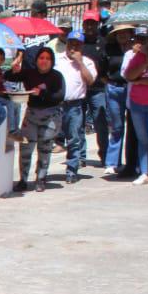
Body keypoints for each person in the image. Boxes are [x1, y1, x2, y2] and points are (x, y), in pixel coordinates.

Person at [6, 46, 65, 193]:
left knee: (45, 149)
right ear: (36, 60)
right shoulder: (29, 73)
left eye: (47, 59)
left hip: (50, 116)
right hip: (32, 115)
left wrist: (42, 93)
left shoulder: (57, 76)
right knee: (26, 148)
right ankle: (23, 180)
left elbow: (60, 96)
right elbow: (9, 77)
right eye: (41, 58)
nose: (44, 61)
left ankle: (41, 179)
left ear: (52, 61)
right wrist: (13, 68)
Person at [56, 31, 98, 184]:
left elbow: (90, 81)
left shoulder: (87, 62)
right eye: (71, 43)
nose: (73, 47)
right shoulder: (57, 59)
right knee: (48, 138)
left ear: (82, 46)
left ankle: (71, 170)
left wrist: (79, 63)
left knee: (73, 139)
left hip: (74, 105)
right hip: (57, 104)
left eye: (77, 44)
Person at [102, 25, 134, 176]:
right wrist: (109, 83)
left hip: (132, 88)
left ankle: (132, 162)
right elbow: (102, 70)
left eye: (125, 33)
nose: (122, 35)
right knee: (116, 126)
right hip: (115, 88)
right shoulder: (110, 49)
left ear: (130, 34)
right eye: (118, 33)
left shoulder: (137, 49)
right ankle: (113, 162)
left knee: (134, 128)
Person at [120, 26, 148, 185]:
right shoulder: (138, 57)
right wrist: (145, 63)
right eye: (142, 40)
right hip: (137, 102)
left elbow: (136, 79)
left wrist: (140, 81)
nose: (144, 43)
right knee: (143, 139)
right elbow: (129, 75)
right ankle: (145, 172)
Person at [80, 12, 110, 167]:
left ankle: (105, 156)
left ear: (98, 24)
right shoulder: (78, 42)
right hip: (81, 88)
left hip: (98, 89)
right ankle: (80, 157)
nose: (90, 26)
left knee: (101, 124)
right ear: (83, 24)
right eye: (87, 23)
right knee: (78, 124)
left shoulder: (104, 42)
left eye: (93, 23)